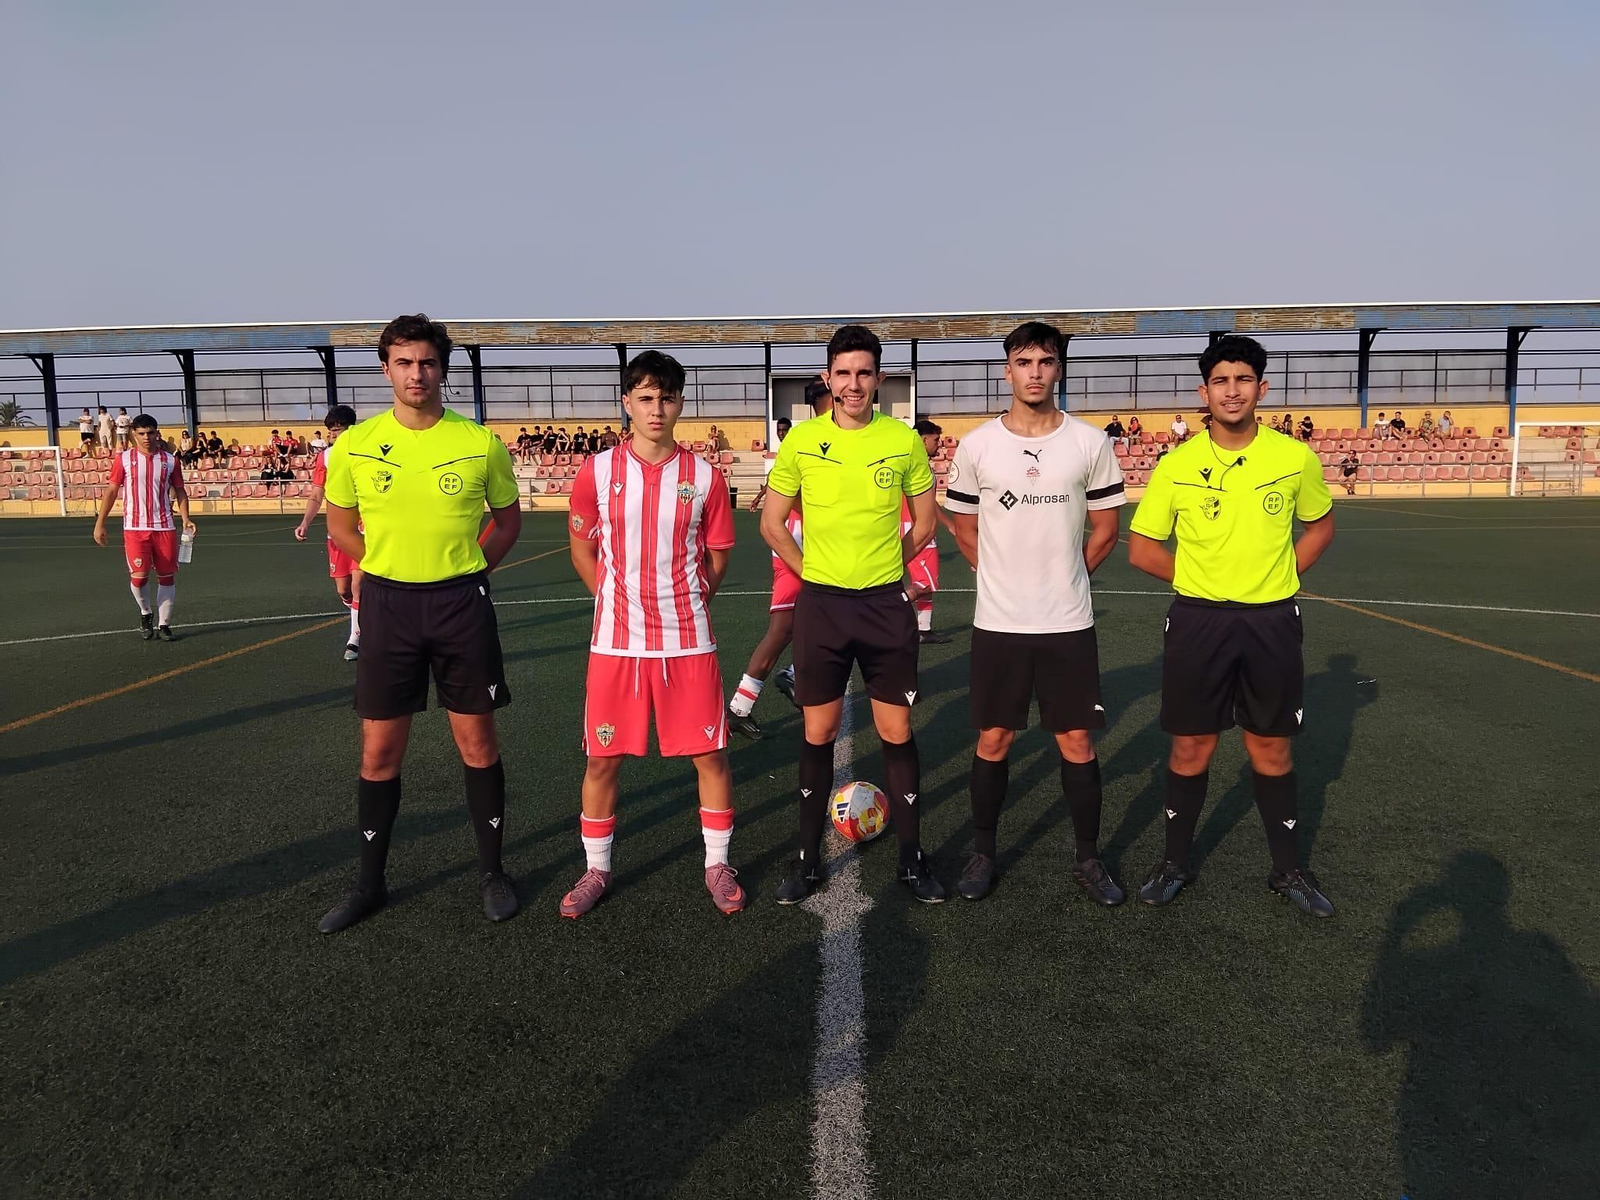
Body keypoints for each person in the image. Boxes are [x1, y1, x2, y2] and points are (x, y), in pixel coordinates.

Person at [315, 314, 523, 935]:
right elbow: (339, 525)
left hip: (461, 605)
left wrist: (466, 570)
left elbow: (508, 522)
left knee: (477, 743)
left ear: (442, 369)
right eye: (404, 363)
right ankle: (369, 883)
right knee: (379, 750)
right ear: (386, 369)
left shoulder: (479, 442)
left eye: (427, 362)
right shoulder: (353, 446)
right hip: (387, 606)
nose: (416, 374)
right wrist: (384, 567)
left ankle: (492, 873)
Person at [1127, 334, 1337, 919]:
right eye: (1221, 380)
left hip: (1271, 620)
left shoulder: (1294, 458)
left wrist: (1279, 575)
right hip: (1199, 621)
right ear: (1204, 392)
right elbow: (1141, 549)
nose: (1232, 390)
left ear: (1261, 388)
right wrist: (1203, 579)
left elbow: (1320, 527)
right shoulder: (1177, 464)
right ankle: (1175, 862)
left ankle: (1287, 869)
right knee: (1191, 744)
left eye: (1243, 379)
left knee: (1270, 746)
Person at [943, 322, 1126, 903]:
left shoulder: (1090, 443)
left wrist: (1069, 576)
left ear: (1059, 369)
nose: (1035, 373)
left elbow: (1106, 529)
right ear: (1007, 370)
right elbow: (964, 528)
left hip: (1067, 622)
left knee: (1077, 741)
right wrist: (1000, 575)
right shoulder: (977, 446)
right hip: (999, 623)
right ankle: (982, 853)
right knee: (994, 738)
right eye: (1024, 362)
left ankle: (1089, 859)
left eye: (1045, 362)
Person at [762, 324, 942, 903]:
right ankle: (807, 861)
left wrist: (890, 562)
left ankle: (912, 860)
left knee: (897, 730)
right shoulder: (802, 441)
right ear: (828, 378)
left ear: (879, 378)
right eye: (843, 373)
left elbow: (926, 521)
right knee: (818, 731)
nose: (854, 384)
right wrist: (812, 570)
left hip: (885, 606)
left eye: (864, 372)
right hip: (823, 607)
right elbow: (771, 522)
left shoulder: (902, 440)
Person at [560, 351, 742, 919]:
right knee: (602, 761)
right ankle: (596, 869)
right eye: (644, 398)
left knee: (710, 756)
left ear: (680, 403)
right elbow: (583, 549)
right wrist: (613, 601)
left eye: (666, 397)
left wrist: (687, 601)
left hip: (688, 642)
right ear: (627, 403)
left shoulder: (705, 477)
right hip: (616, 643)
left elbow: (717, 557)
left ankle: (717, 864)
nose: (656, 409)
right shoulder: (597, 471)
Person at [726, 404, 814, 739]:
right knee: (782, 630)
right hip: (795, 554)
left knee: (824, 623)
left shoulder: (800, 457)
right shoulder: (795, 460)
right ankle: (740, 707)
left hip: (805, 553)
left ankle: (791, 677)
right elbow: (792, 498)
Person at [92, 413, 195, 641]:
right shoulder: (124, 459)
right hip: (135, 528)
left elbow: (180, 490)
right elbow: (111, 491)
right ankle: (146, 612)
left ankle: (164, 624)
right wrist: (100, 523)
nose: (146, 437)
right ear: (134, 434)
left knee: (167, 577)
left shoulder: (170, 461)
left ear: (157, 433)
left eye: (150, 433)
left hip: (164, 527)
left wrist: (186, 518)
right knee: (139, 578)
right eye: (141, 433)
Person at [295, 404, 364, 661]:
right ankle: (358, 613)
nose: (334, 435)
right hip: (338, 531)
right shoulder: (326, 457)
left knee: (358, 584)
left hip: (365, 529)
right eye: (331, 431)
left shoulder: (366, 453)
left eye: (339, 430)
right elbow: (316, 493)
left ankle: (355, 638)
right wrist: (305, 522)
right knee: (344, 589)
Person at [908, 419, 951, 643]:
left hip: (918, 528)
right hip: (918, 530)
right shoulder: (916, 466)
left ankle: (923, 629)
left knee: (926, 582)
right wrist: (950, 524)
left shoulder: (918, 463)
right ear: (924, 440)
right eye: (935, 440)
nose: (939, 444)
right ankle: (885, 607)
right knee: (926, 583)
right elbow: (928, 504)